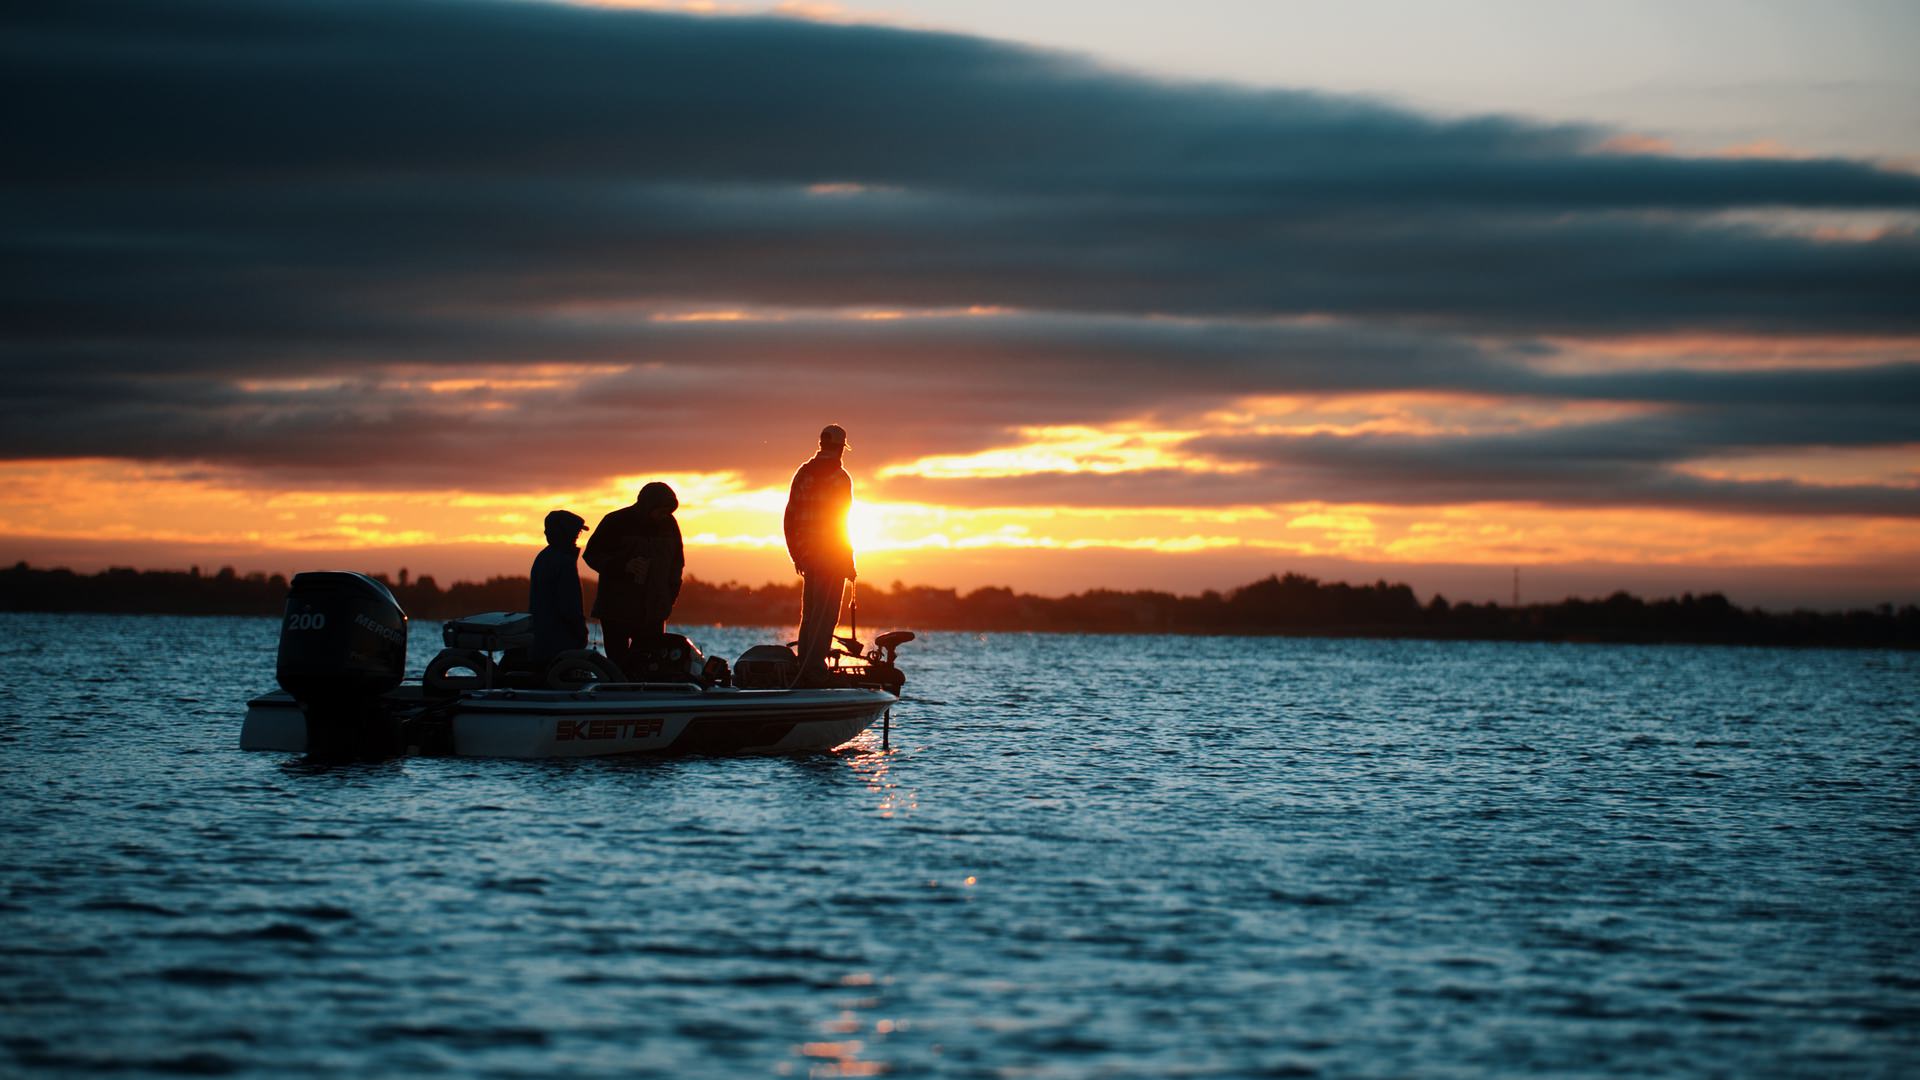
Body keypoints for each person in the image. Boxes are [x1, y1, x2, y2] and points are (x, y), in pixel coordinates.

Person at [584, 481, 684, 676]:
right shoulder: (615, 521)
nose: (663, 515)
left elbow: (677, 565)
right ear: (648, 506)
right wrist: (623, 565)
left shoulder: (670, 525)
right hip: (616, 609)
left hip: (654, 612)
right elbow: (592, 555)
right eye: (660, 511)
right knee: (618, 666)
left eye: (667, 511)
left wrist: (668, 600)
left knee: (650, 665)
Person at [784, 424, 856, 686]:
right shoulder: (840, 478)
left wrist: (797, 555)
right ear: (840, 448)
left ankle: (805, 665)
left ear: (822, 445)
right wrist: (848, 561)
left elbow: (789, 517)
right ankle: (813, 671)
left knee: (811, 613)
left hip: (807, 557)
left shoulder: (802, 474)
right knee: (825, 616)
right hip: (831, 557)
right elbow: (841, 522)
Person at [529, 509, 588, 666]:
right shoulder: (563, 561)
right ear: (565, 532)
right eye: (576, 531)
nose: (577, 536)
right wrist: (581, 631)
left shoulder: (544, 557)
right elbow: (569, 605)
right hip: (560, 640)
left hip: (542, 638)